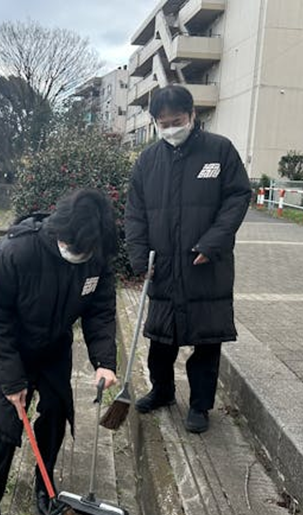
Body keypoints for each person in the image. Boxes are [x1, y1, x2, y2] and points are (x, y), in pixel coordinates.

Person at [0, 188, 119, 515]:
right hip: (10, 350)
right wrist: (12, 381)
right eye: (73, 247)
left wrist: (104, 362)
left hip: (54, 348)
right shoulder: (17, 252)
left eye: (85, 251)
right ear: (60, 231)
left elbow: (100, 311)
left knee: (55, 416)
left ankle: (45, 486)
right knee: (4, 428)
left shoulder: (95, 258)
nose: (78, 255)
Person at [124, 85, 251, 434]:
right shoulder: (148, 161)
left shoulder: (219, 151)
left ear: (193, 115)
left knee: (207, 341)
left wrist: (212, 243)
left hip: (206, 265)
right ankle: (162, 391)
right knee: (161, 339)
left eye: (177, 121)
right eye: (163, 124)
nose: (170, 129)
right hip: (163, 265)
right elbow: (134, 213)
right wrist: (139, 257)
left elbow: (238, 197)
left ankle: (200, 405)